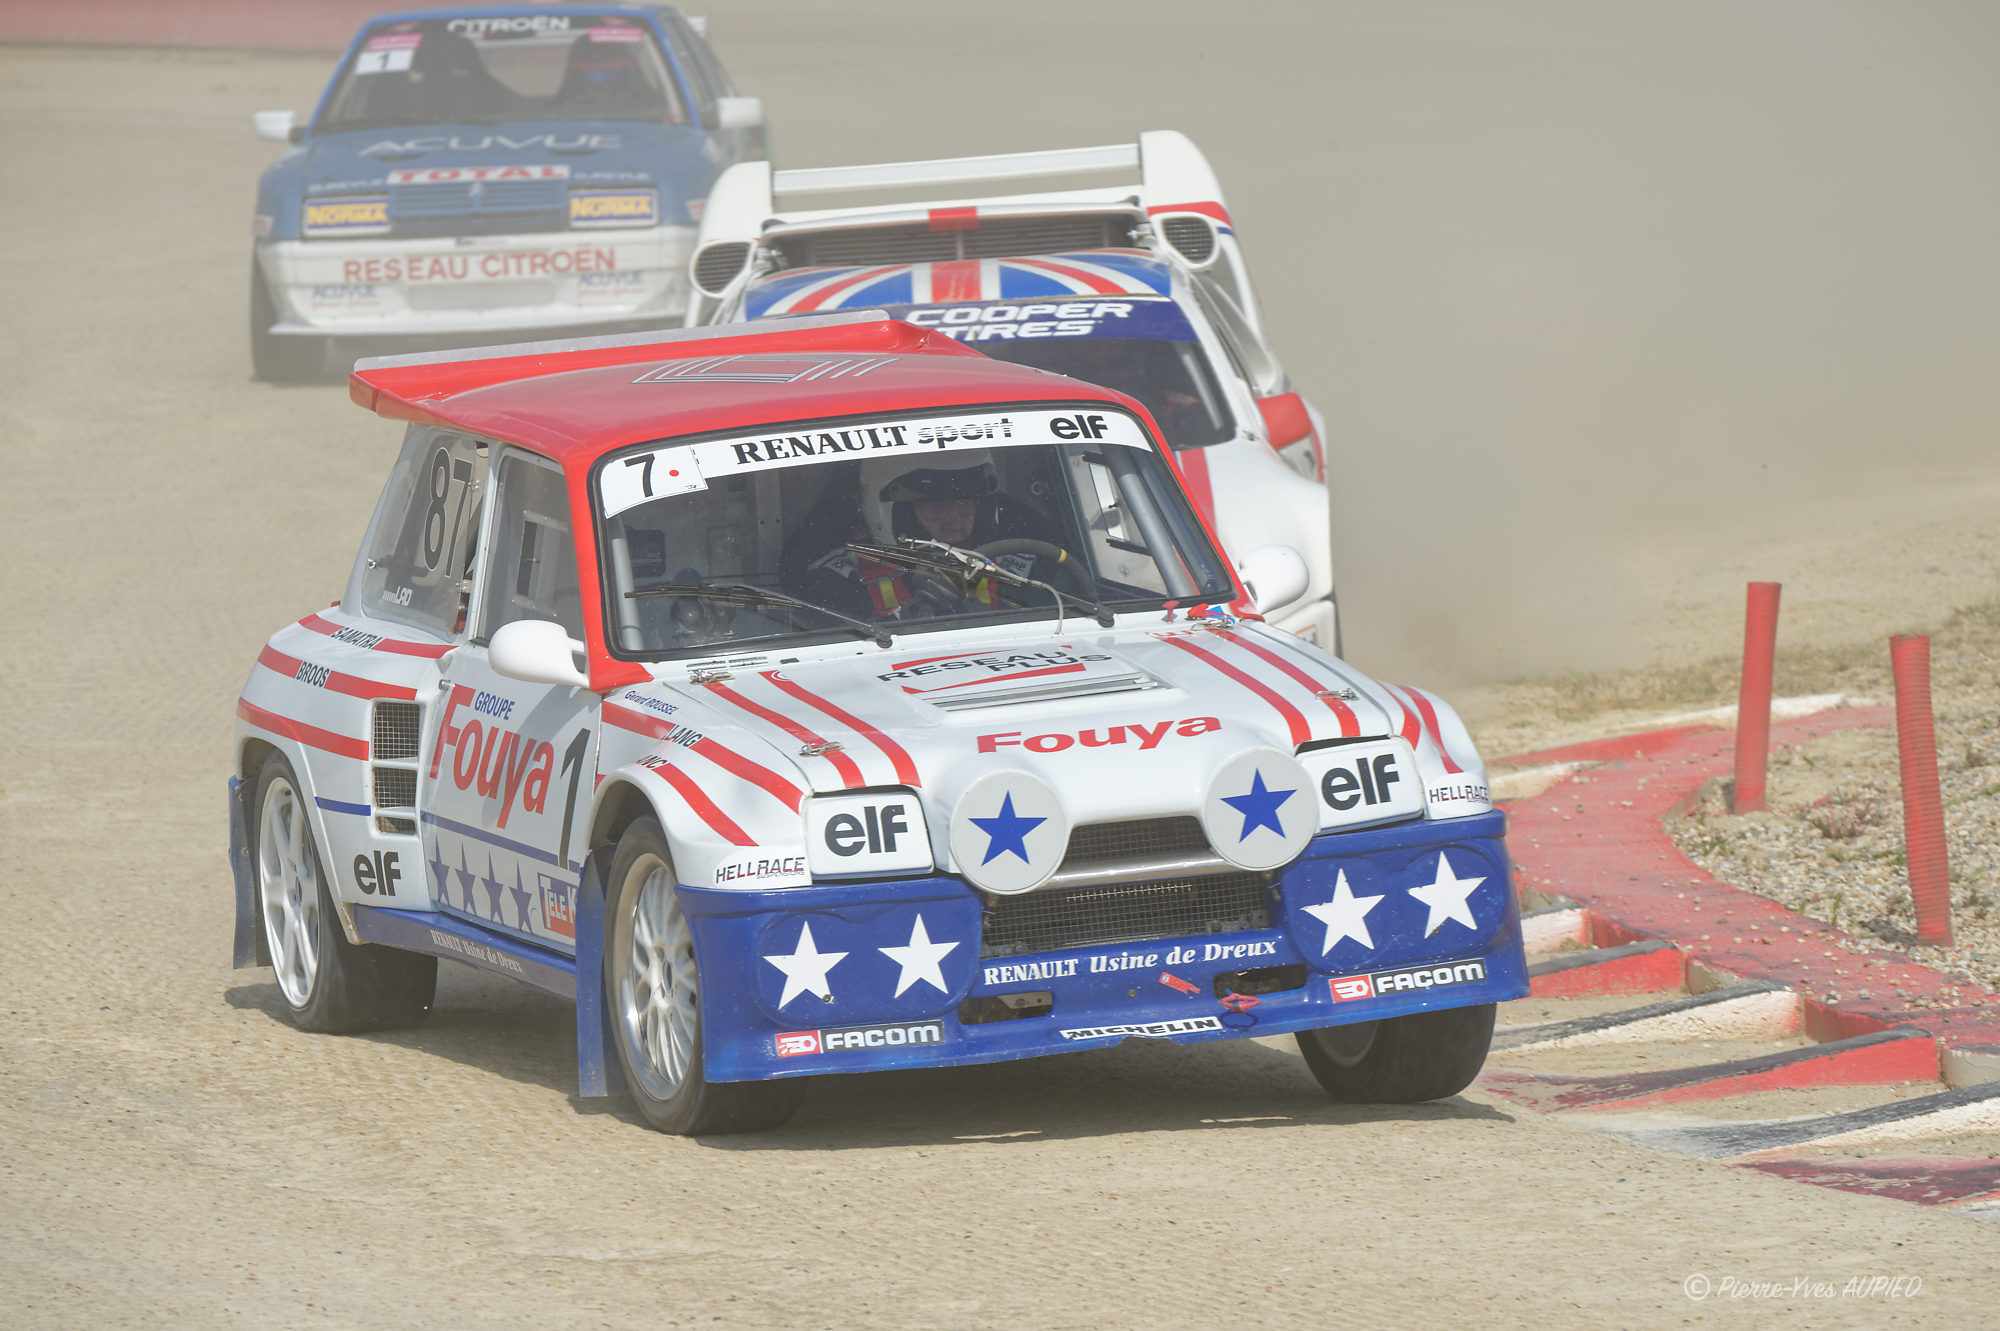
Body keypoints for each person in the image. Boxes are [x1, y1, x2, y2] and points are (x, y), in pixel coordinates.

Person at [779, 450, 1049, 620]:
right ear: (896, 513)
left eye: (965, 503)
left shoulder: (1025, 559)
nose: (955, 520)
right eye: (935, 506)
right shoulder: (840, 576)